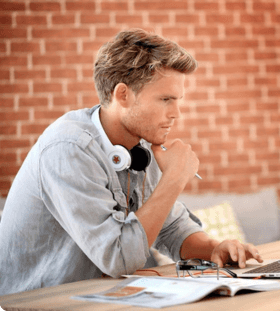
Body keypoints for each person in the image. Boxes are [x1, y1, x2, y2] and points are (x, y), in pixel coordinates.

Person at [0, 29, 263, 296]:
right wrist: (174, 178)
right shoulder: (68, 150)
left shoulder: (138, 147)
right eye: (165, 100)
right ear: (123, 95)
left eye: (177, 101)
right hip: (39, 303)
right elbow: (119, 258)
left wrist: (213, 248)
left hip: (97, 299)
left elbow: (171, 227)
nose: (176, 113)